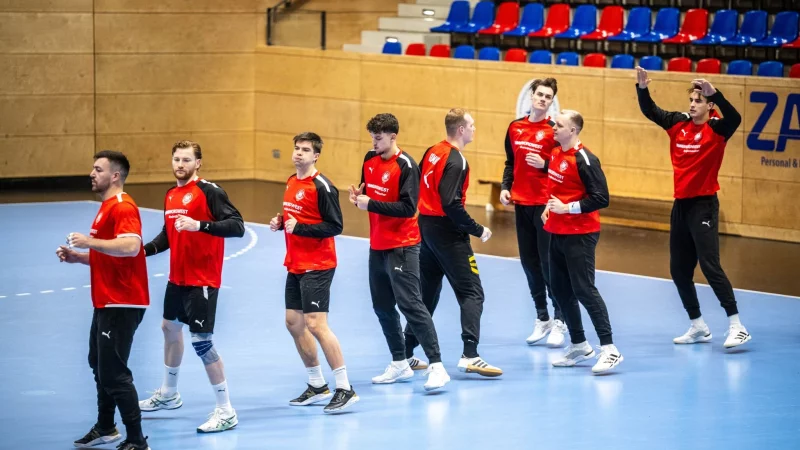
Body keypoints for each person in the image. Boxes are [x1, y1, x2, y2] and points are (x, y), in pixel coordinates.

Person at [635, 68, 749, 348]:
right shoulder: (678, 123)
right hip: (681, 206)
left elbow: (736, 118)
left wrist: (716, 94)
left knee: (710, 266)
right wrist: (642, 88)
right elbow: (651, 111)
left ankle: (737, 325)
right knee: (679, 270)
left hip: (704, 205)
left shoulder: (717, 128)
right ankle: (698, 325)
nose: (692, 104)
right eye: (692, 100)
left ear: (709, 106)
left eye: (699, 100)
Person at [137, 140, 245, 433]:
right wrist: (142, 251)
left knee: (202, 342)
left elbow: (237, 226)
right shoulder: (171, 194)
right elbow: (168, 234)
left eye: (186, 160)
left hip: (203, 281)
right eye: (176, 159)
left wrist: (201, 225)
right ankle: (169, 394)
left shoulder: (210, 192)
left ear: (198, 163)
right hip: (177, 279)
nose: (180, 165)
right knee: (169, 328)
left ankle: (226, 411)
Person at [349, 113, 450, 391]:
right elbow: (367, 192)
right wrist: (359, 197)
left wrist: (371, 205)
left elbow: (408, 208)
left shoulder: (406, 166)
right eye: (372, 136)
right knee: (382, 306)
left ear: (393, 137)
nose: (374, 142)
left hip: (403, 246)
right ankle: (399, 363)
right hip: (377, 246)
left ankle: (437, 366)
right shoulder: (369, 159)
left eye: (379, 138)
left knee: (411, 305)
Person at [57, 150, 151, 450]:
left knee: (114, 372)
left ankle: (137, 440)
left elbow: (131, 247)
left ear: (115, 176)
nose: (91, 174)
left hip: (122, 302)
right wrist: (80, 257)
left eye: (98, 169)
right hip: (106, 300)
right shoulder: (107, 206)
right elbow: (110, 255)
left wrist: (89, 241)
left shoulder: (123, 207)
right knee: (98, 364)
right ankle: (106, 427)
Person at [405, 108, 502, 377]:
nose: (474, 128)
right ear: (461, 129)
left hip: (426, 227)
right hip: (447, 233)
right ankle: (470, 354)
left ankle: (404, 353)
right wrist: (477, 228)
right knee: (472, 292)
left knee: (427, 292)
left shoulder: (433, 150)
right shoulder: (457, 160)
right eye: (471, 125)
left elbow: (419, 184)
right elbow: (450, 203)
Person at [269, 132, 359, 413]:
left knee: (316, 325)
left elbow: (335, 226)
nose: (298, 153)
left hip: (318, 265)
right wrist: (281, 221)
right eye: (296, 148)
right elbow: (297, 215)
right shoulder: (291, 181)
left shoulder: (322, 186)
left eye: (305, 150)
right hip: (295, 262)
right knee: (293, 323)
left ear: (315, 155)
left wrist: (301, 229)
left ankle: (345, 387)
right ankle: (317, 384)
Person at [540, 110, 623, 374]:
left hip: (581, 233)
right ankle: (578, 344)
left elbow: (602, 198)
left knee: (585, 290)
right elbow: (555, 187)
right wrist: (549, 206)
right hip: (557, 230)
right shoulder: (554, 153)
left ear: (573, 130)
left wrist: (568, 208)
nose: (554, 127)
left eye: (560, 125)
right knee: (560, 291)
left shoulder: (586, 159)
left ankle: (609, 349)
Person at [500, 77, 567, 346]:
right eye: (539, 94)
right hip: (522, 204)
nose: (542, 99)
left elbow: (564, 165)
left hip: (545, 205)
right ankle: (542, 317)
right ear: (531, 96)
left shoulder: (554, 130)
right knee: (529, 264)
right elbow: (510, 162)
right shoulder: (515, 128)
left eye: (547, 96)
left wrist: (544, 163)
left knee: (550, 263)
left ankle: (561, 319)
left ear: (551, 102)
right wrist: (506, 187)